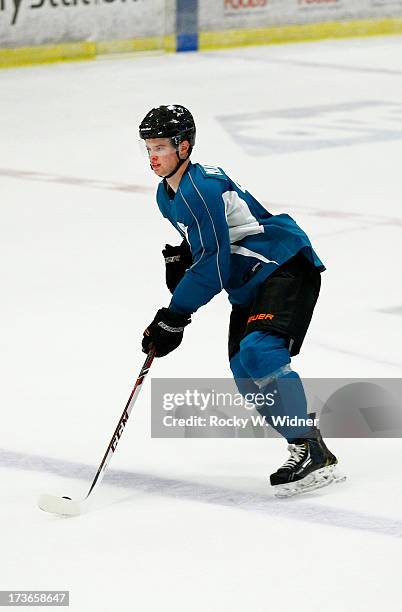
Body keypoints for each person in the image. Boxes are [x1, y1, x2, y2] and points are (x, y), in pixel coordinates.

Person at [139, 104, 345, 497]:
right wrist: (185, 257)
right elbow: (209, 245)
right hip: (250, 280)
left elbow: (214, 265)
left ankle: (308, 446)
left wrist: (175, 315)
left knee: (260, 354)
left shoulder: (200, 187)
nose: (153, 157)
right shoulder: (167, 195)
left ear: (184, 147)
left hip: (282, 263)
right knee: (246, 372)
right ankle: (310, 447)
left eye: (161, 147)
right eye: (148, 148)